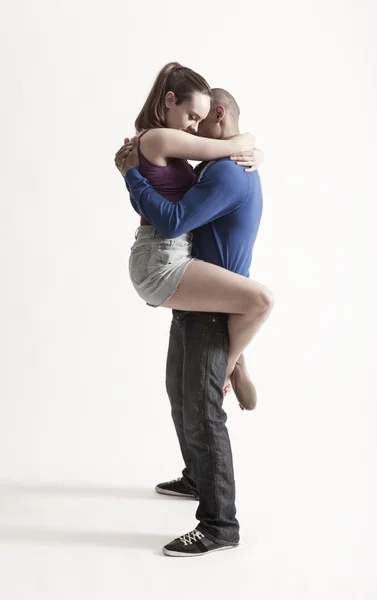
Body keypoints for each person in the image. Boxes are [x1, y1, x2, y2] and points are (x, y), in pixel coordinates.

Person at [115, 84, 275, 556]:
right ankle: (196, 475)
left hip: (209, 302)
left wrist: (132, 176)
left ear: (218, 114)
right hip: (195, 290)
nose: (191, 130)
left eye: (199, 120)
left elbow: (172, 220)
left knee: (203, 412)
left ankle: (220, 526)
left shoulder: (226, 173)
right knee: (179, 395)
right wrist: (252, 145)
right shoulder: (222, 165)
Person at [117, 61, 272, 410]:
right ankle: (234, 362)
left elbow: (160, 201)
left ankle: (236, 358)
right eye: (191, 118)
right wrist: (247, 140)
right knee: (262, 300)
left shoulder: (184, 156)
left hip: (169, 257)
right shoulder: (160, 137)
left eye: (200, 121)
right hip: (162, 261)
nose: (194, 129)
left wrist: (255, 153)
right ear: (170, 101)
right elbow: (172, 220)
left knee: (187, 395)